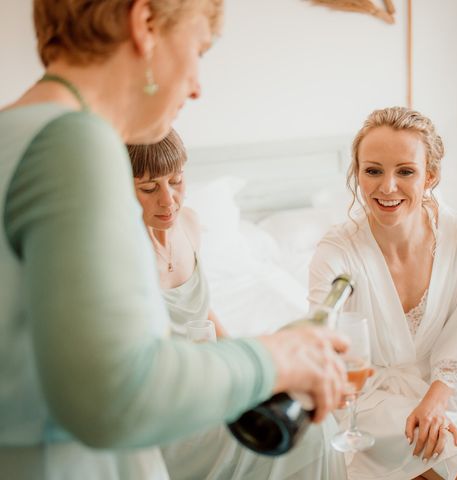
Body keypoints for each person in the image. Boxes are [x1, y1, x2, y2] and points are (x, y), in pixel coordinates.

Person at [0, 1, 349, 478]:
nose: (198, 85)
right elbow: (116, 394)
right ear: (145, 24)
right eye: (199, 49)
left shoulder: (13, 131)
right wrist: (276, 356)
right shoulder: (74, 144)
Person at [127, 129, 347, 479]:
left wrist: (247, 363)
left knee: (310, 424)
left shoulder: (190, 223)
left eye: (177, 181)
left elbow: (203, 312)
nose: (168, 200)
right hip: (169, 398)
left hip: (211, 374)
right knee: (294, 434)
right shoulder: (124, 254)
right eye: (149, 188)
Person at [308, 106, 457, 480]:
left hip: (442, 390)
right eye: (373, 170)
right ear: (357, 172)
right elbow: (321, 328)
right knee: (446, 467)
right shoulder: (336, 251)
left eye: (405, 171)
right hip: (367, 401)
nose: (387, 187)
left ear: (431, 176)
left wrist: (434, 403)